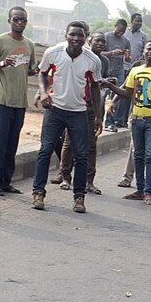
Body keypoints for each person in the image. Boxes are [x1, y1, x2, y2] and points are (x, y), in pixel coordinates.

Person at [30, 22, 102, 213]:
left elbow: (95, 87)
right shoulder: (53, 53)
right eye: (73, 35)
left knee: (81, 155)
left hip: (79, 112)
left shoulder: (92, 60)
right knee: (45, 150)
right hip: (55, 109)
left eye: (80, 35)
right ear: (66, 35)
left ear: (86, 37)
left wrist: (97, 115)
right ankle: (38, 192)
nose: (76, 39)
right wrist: (43, 92)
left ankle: (79, 197)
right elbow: (42, 73)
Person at [101, 40, 151, 205]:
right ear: (144, 52)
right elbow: (127, 92)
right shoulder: (135, 70)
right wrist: (111, 89)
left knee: (150, 155)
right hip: (136, 119)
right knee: (138, 156)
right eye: (148, 49)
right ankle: (140, 190)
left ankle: (148, 191)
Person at [0, 7, 39, 195]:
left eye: (23, 19)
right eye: (16, 19)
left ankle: (6, 181)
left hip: (20, 102)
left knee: (12, 143)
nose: (20, 22)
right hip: (2, 101)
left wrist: (35, 71)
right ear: (9, 20)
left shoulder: (29, 44)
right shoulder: (0, 41)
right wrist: (2, 63)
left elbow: (30, 69)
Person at [56, 31, 108, 194]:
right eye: (97, 40)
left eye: (103, 42)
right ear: (89, 41)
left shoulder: (102, 61)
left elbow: (97, 85)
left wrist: (99, 115)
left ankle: (89, 181)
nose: (100, 44)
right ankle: (65, 176)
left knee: (91, 146)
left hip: (92, 108)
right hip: (75, 106)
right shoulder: (79, 56)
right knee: (69, 143)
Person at [102, 19, 131, 131]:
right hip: (107, 70)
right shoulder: (106, 37)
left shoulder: (126, 41)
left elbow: (128, 60)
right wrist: (113, 53)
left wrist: (127, 55)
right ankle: (100, 120)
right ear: (115, 26)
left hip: (119, 71)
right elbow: (99, 53)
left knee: (117, 97)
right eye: (119, 31)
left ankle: (111, 121)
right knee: (103, 96)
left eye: (122, 32)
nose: (120, 33)